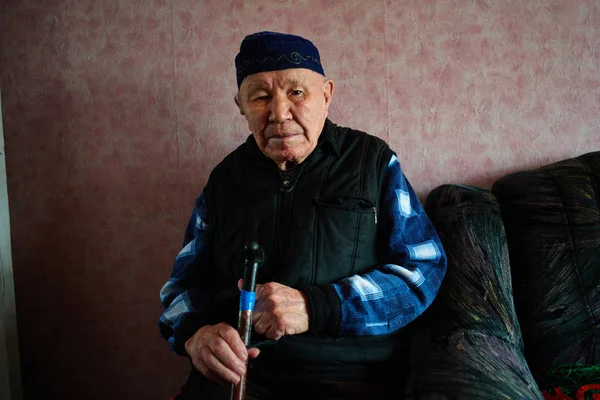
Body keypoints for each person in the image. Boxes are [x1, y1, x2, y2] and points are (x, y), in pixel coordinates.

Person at [159, 31, 447, 400]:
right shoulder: (224, 181)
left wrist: (318, 306)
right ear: (240, 105)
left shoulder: (372, 161)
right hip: (243, 375)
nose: (279, 113)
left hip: (352, 376)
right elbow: (179, 289)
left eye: (296, 92)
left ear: (326, 96)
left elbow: (423, 270)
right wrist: (194, 336)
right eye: (260, 96)